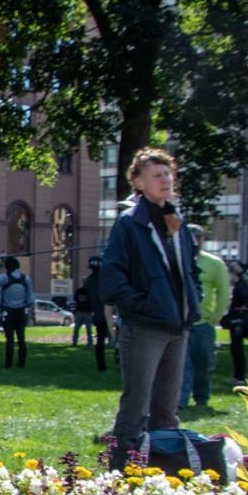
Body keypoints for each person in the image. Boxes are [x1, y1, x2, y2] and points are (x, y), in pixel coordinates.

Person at [100, 148, 200, 466]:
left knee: (167, 410)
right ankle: (118, 476)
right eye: (156, 174)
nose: (165, 179)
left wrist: (192, 304)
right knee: (136, 408)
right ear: (138, 182)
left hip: (177, 327)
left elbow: (189, 271)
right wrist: (142, 306)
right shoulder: (130, 223)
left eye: (168, 173)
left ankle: (163, 473)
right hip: (144, 327)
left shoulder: (176, 220)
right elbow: (112, 278)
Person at [178, 225, 230, 409]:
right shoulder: (177, 259)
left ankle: (201, 398)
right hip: (180, 322)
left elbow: (224, 291)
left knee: (203, 364)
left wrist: (216, 316)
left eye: (198, 238)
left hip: (203, 324)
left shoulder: (214, 263)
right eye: (191, 237)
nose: (195, 241)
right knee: (181, 365)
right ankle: (181, 401)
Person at [0, 255, 34, 368]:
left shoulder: (5, 278)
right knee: (22, 338)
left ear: (7, 267)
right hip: (22, 313)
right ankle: (21, 364)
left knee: (10, 339)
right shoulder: (26, 278)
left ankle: (8, 364)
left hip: (8, 313)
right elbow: (31, 298)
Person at [224, 261, 248, 384]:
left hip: (238, 322)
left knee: (237, 349)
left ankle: (239, 377)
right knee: (236, 349)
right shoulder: (241, 285)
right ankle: (238, 376)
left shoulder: (240, 286)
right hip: (239, 321)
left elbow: (243, 299)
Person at [83, 257, 110, 371]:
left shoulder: (88, 281)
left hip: (97, 314)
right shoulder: (106, 279)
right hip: (109, 311)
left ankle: (101, 365)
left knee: (100, 340)